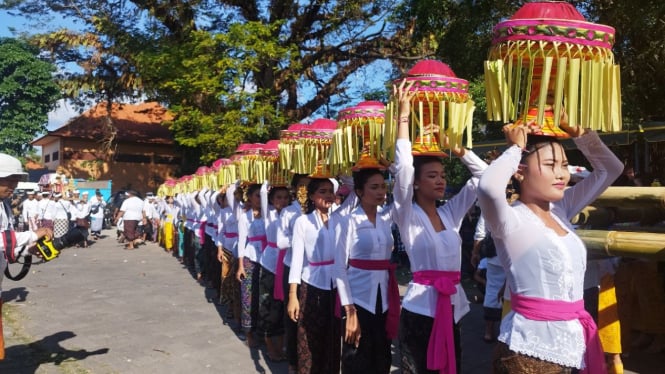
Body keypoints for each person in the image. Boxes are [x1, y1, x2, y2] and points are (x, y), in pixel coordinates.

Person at [477, 119, 623, 373]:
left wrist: (579, 133)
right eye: (550, 164)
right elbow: (488, 187)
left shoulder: (561, 209)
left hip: (576, 346)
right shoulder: (509, 220)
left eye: (564, 165)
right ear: (520, 171)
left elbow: (611, 168)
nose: (561, 174)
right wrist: (514, 148)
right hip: (529, 352)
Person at [392, 82, 487, 374]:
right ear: (417, 184)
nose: (440, 181)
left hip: (453, 307)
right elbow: (405, 170)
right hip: (420, 310)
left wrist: (458, 149)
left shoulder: (451, 214)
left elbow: (485, 177)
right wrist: (404, 118)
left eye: (442, 175)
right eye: (432, 176)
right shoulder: (406, 214)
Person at [334, 167, 398, 374]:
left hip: (385, 299)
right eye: (374, 187)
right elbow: (339, 268)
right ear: (359, 191)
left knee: (382, 357)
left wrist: (391, 165)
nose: (381, 192)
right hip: (359, 299)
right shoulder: (348, 221)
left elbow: (405, 188)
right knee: (357, 358)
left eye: (383, 187)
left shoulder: (387, 217)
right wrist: (350, 310)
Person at [0, 153, 53, 359]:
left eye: (16, 179)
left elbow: (6, 243)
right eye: (9, 179)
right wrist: (32, 234)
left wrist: (28, 248)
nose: (14, 184)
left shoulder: (4, 205)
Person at [236, 183, 265, 348]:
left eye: (262, 196)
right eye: (257, 196)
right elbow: (241, 242)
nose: (260, 199)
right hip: (249, 258)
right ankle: (248, 332)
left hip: (266, 259)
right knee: (249, 296)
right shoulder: (245, 217)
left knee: (263, 297)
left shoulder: (270, 215)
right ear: (250, 198)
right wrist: (240, 265)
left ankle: (262, 332)